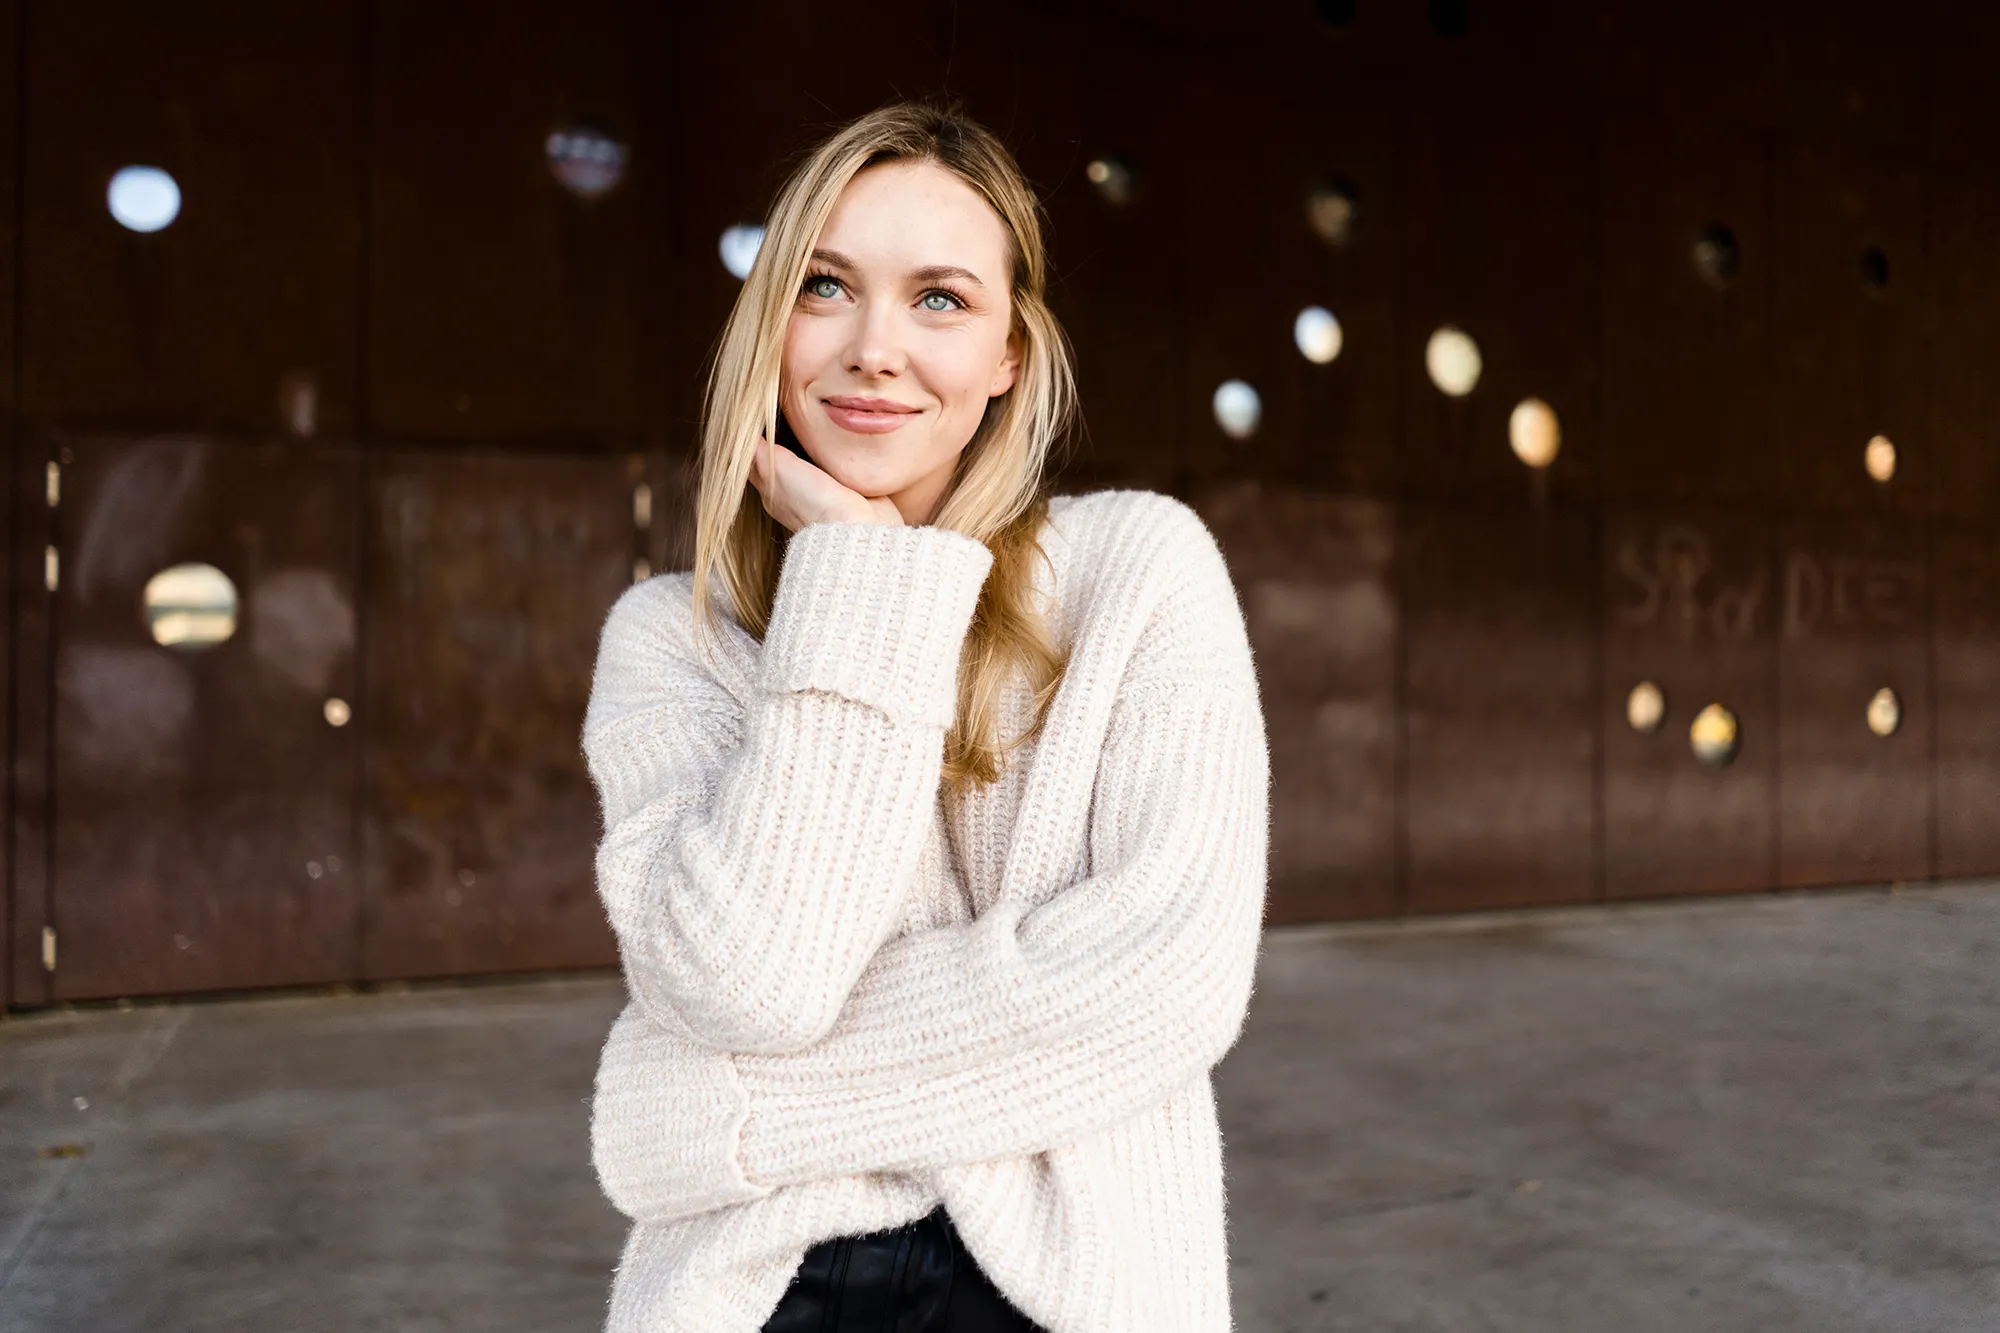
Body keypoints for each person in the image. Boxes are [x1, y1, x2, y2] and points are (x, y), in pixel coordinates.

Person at [581, 100, 1271, 1333]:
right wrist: (855, 575)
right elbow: (750, 989)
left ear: (1010, 352)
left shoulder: (1139, 573)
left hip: (1079, 1286)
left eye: (939, 299)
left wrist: (715, 1108)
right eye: (826, 286)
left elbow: (1166, 985)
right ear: (769, 323)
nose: (873, 349)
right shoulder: (670, 636)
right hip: (758, 1286)